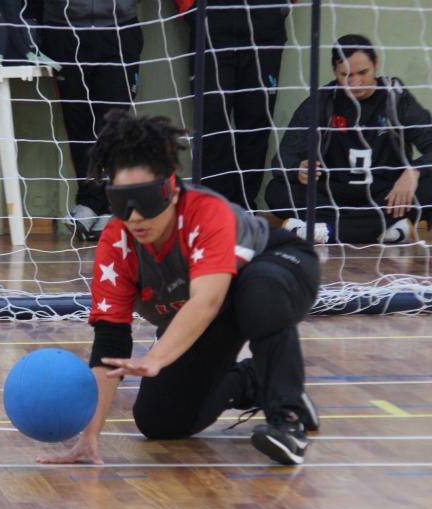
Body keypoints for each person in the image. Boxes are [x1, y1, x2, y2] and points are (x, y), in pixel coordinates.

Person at [37, 111, 320, 466]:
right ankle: (252, 383)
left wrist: (155, 358)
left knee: (259, 292)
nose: (135, 216)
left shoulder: (205, 212)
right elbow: (110, 345)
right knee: (160, 421)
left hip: (277, 268)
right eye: (124, 203)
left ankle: (287, 420)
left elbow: (208, 300)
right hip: (217, 307)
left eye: (146, 199)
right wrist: (90, 434)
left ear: (171, 191)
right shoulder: (116, 244)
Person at [265, 34, 432, 244]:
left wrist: (413, 171)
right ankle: (385, 232)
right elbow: (282, 159)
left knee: (426, 189)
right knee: (277, 191)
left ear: (376, 64)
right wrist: (298, 169)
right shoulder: (321, 101)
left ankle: (321, 231)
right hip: (330, 196)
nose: (356, 82)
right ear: (334, 72)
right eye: (346, 75)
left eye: (363, 73)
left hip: (383, 195)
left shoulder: (396, 100)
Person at [39, 0, 144, 240]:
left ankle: (111, 203)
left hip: (120, 28)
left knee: (112, 122)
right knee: (79, 122)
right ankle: (88, 201)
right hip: (63, 29)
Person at [173, 0, 290, 210]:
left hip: (264, 21)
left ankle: (244, 209)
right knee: (213, 122)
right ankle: (214, 208)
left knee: (257, 122)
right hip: (211, 21)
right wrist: (190, 6)